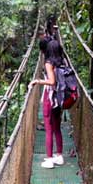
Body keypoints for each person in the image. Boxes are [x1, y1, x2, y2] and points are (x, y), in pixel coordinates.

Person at [29, 39, 65, 169]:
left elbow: (52, 82)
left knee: (49, 129)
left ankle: (49, 159)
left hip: (50, 99)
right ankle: (59, 156)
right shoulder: (62, 62)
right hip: (59, 99)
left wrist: (37, 81)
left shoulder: (49, 64)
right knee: (57, 128)